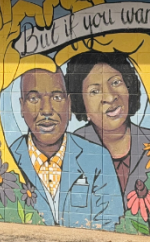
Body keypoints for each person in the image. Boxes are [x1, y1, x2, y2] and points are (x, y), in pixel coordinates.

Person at [7, 68, 124, 230]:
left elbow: (112, 224)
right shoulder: (8, 161)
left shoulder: (97, 158)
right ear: (22, 107)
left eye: (56, 97)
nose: (46, 110)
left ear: (68, 105)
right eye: (34, 98)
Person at [66, 52, 150, 199]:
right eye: (94, 91)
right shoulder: (71, 149)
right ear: (81, 102)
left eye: (115, 82)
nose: (110, 97)